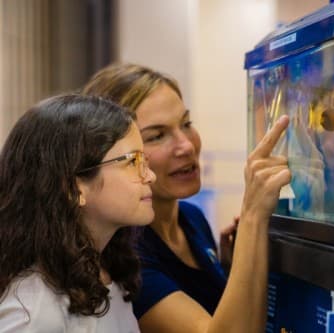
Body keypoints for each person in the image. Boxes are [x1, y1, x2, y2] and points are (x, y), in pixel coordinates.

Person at [82, 63, 291, 332]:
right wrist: (253, 217)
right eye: (157, 136)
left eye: (186, 124)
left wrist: (230, 266)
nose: (187, 145)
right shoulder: (125, 252)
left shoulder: (192, 218)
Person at [0, 94, 156, 332]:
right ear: (73, 186)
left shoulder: (107, 271)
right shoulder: (35, 310)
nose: (150, 176)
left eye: (144, 160)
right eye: (132, 162)